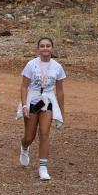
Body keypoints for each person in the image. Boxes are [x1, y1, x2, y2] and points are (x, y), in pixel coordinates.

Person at [17, 37, 65, 181]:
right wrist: (24, 105)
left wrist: (61, 113)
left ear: (52, 48)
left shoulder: (57, 67)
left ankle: (43, 167)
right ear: (38, 49)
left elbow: (60, 91)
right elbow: (24, 86)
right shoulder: (31, 65)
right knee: (29, 136)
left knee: (44, 133)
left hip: (48, 101)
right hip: (33, 100)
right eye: (42, 46)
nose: (45, 48)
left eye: (48, 46)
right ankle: (24, 147)